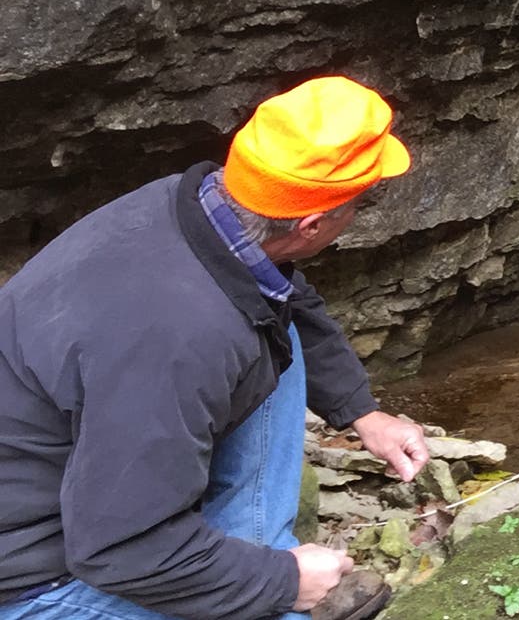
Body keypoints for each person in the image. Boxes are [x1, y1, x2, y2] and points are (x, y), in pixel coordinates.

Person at [0, 76, 433, 620]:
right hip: (32, 569)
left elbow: (287, 299)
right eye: (357, 208)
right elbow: (118, 548)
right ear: (313, 224)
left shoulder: (192, 206)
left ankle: (256, 552)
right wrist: (283, 583)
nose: (356, 219)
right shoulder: (178, 339)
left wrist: (363, 414)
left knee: (275, 319)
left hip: (81, 462)